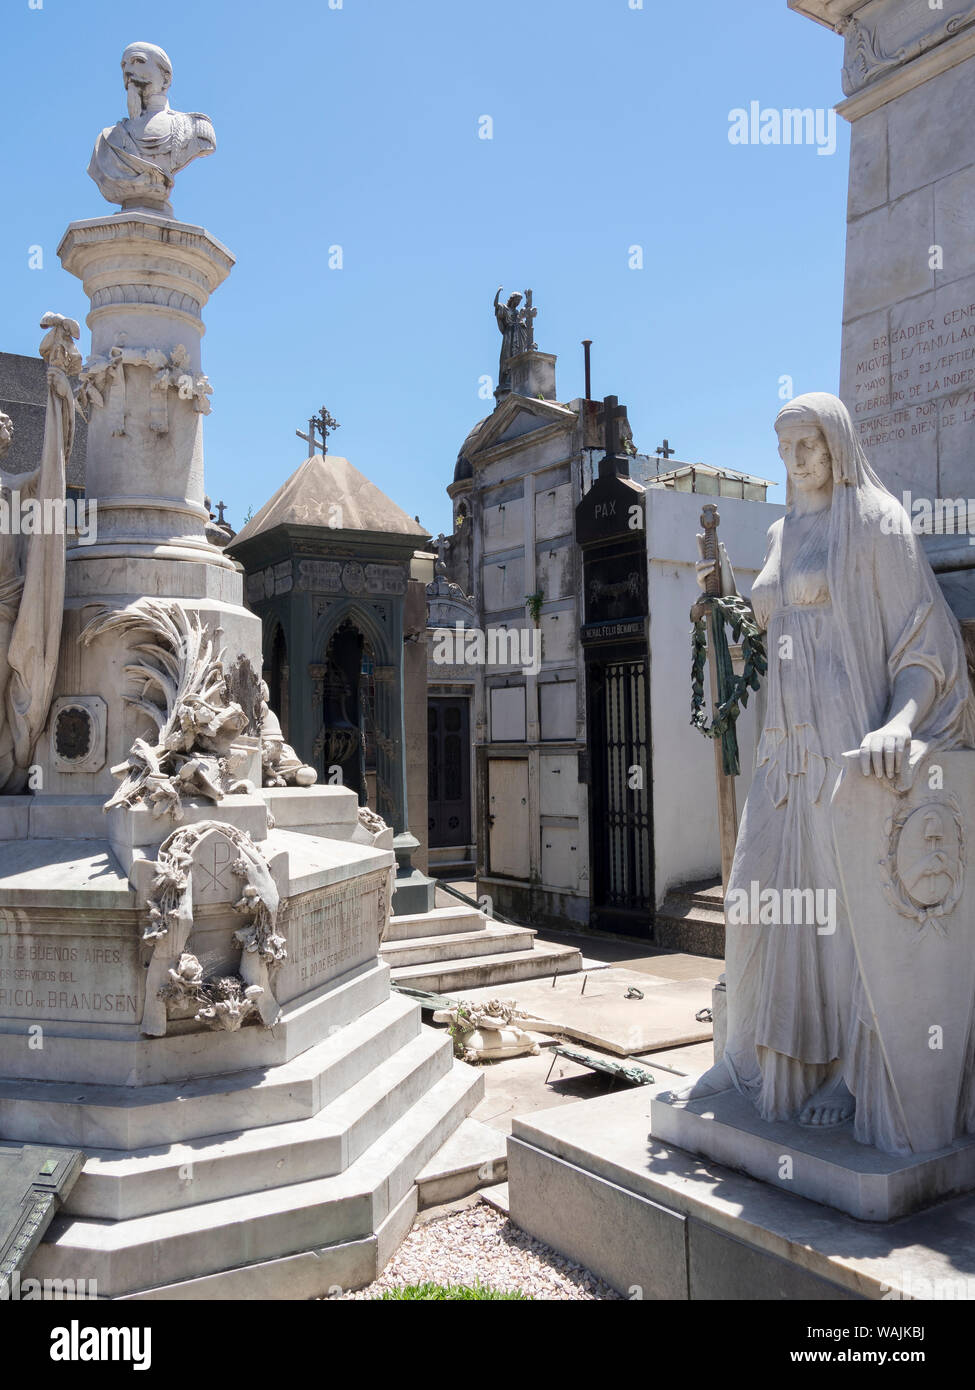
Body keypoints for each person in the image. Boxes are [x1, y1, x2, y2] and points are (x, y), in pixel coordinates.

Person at [677, 392, 974, 1152]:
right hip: (783, 747)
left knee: (843, 916)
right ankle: (751, 1058)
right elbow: (765, 630)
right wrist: (725, 611)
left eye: (806, 444)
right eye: (783, 449)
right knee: (759, 899)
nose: (794, 460)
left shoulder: (875, 523)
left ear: (836, 445)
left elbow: (924, 644)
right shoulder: (781, 531)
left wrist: (899, 725)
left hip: (847, 742)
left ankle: (847, 1070)